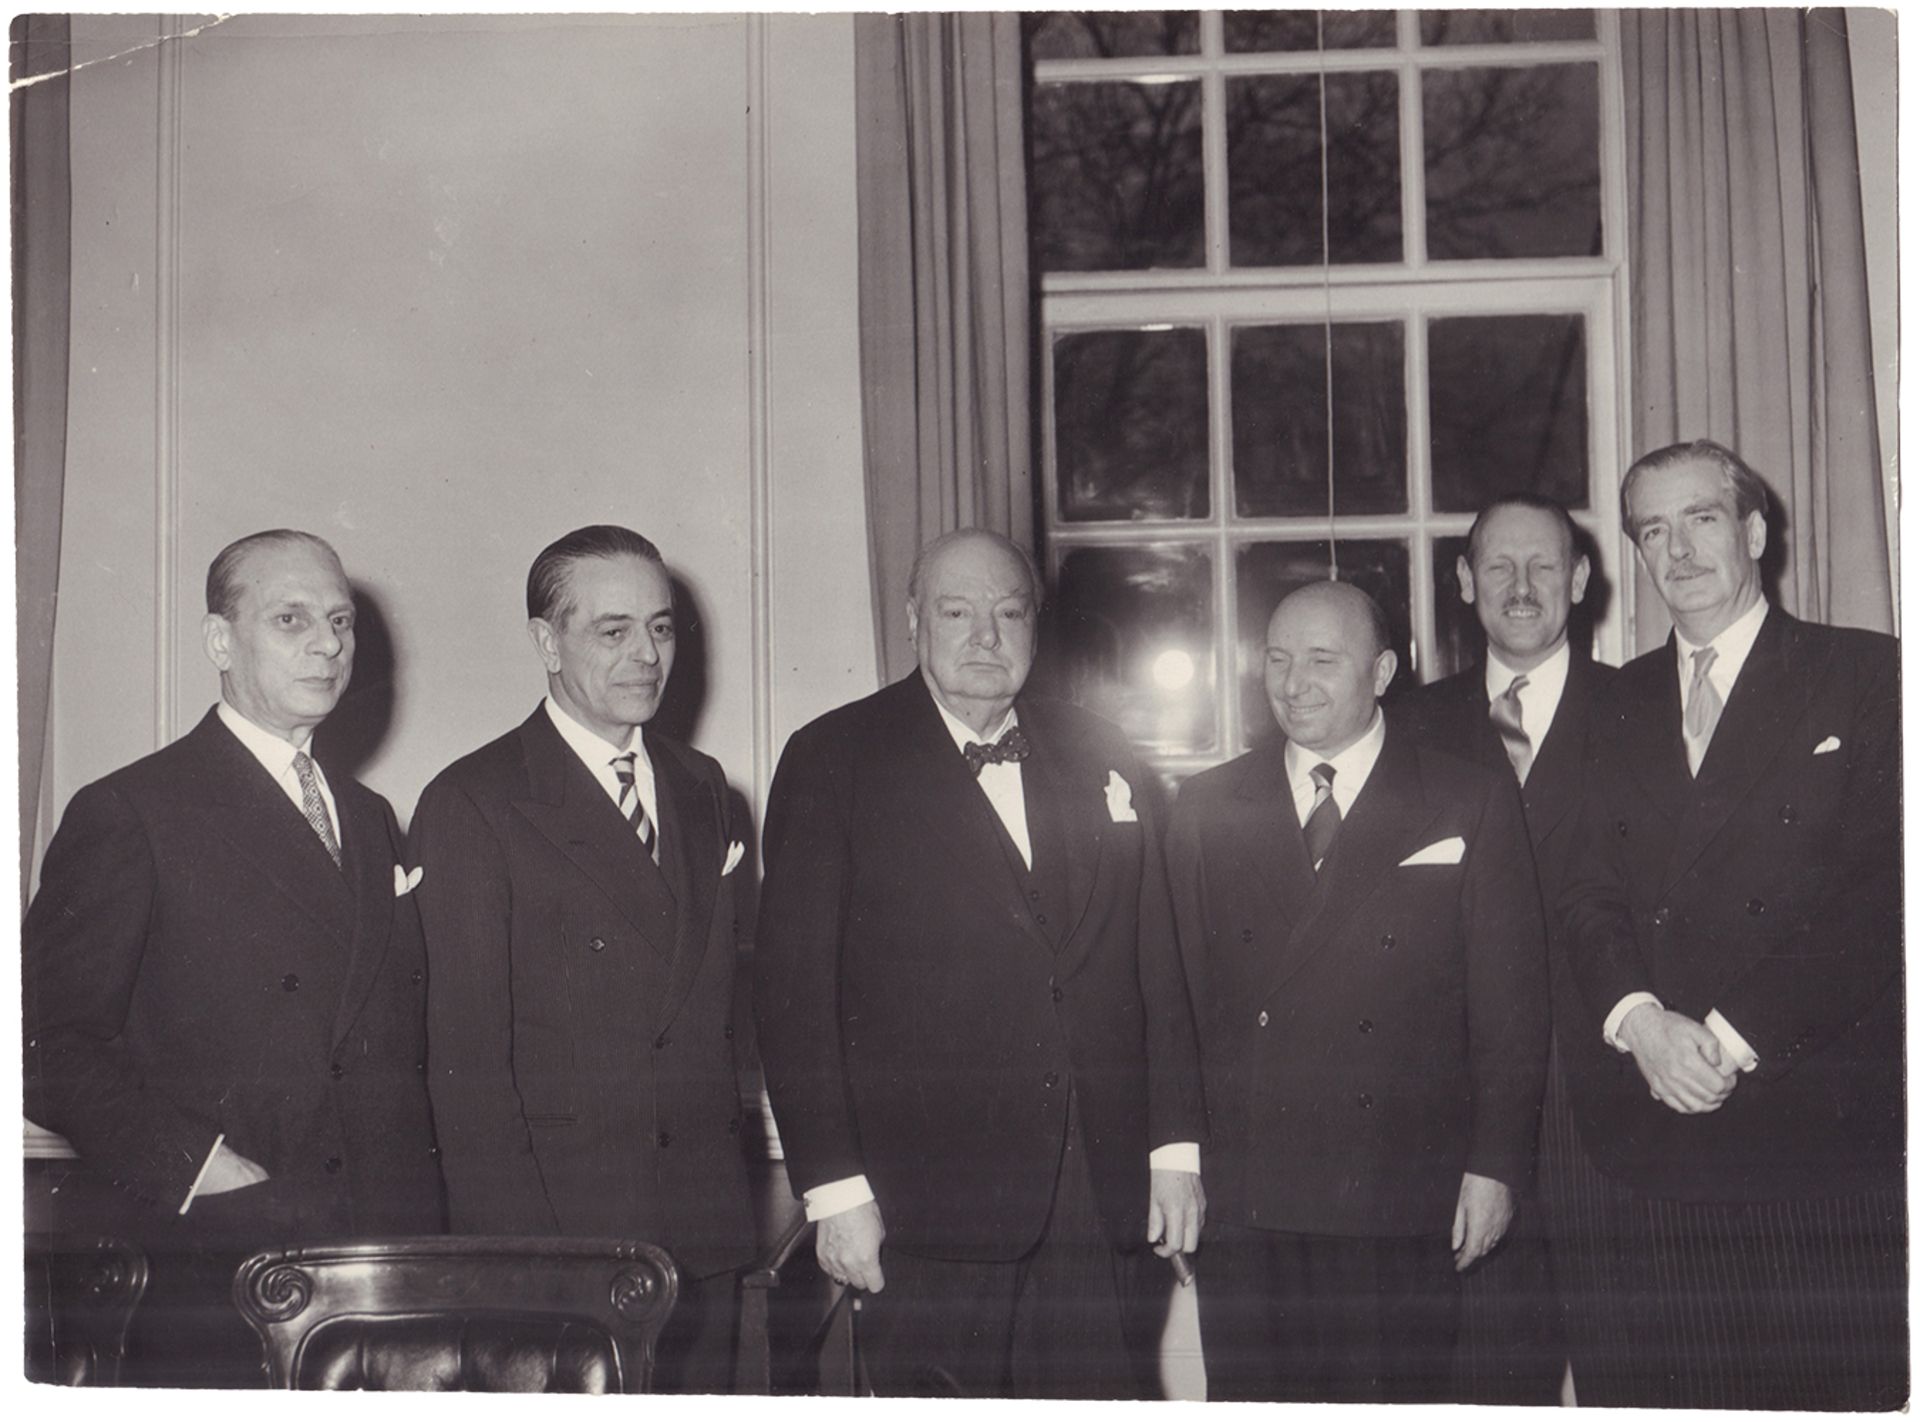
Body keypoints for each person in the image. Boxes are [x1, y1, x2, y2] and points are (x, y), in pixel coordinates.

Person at [753, 527, 1207, 1399]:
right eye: (958, 613)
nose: (985, 638)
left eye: (1008, 613)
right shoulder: (832, 758)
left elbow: (1157, 966)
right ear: (915, 621)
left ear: (1037, 626)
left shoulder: (1105, 754)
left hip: (1095, 1195)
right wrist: (833, 1191)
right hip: (923, 1206)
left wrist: (1175, 1149)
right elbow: (793, 999)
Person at [23, 529, 443, 1387]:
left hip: (383, 1264)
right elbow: (43, 1043)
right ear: (221, 640)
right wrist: (198, 1168)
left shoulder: (367, 816)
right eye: (292, 619)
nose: (328, 644)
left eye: (341, 620)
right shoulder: (130, 811)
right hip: (224, 1262)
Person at [1558, 440, 1904, 1409]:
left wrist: (1722, 1038)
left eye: (1700, 519)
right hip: (1643, 1151)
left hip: (1813, 1147)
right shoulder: (1610, 703)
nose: (1677, 551)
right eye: (1651, 531)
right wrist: (1637, 1019)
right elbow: (1582, 892)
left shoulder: (1869, 676)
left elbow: (1890, 897)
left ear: (1753, 530)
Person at [1168, 579, 1548, 1404]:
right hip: (1248, 1199)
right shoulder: (1204, 806)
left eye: (1321, 660)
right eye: (1276, 659)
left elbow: (1511, 1007)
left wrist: (1496, 1167)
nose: (1292, 682)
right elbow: (1176, 1005)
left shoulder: (1467, 798)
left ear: (1381, 672)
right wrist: (1175, 1160)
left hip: (1403, 1191)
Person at [409, 524, 755, 1393]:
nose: (647, 654)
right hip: (569, 1234)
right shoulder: (474, 800)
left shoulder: (706, 786)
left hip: (702, 1224)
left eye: (663, 627)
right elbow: (467, 1068)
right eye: (613, 630)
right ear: (545, 642)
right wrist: (524, 1269)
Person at [1402, 495, 1618, 1403]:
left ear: (1578, 580)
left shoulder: (1644, 709)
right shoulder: (1405, 728)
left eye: (1543, 566)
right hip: (1468, 1129)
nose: (1521, 587)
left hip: (1616, 1126)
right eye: (1498, 566)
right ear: (1464, 581)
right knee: (1487, 1387)